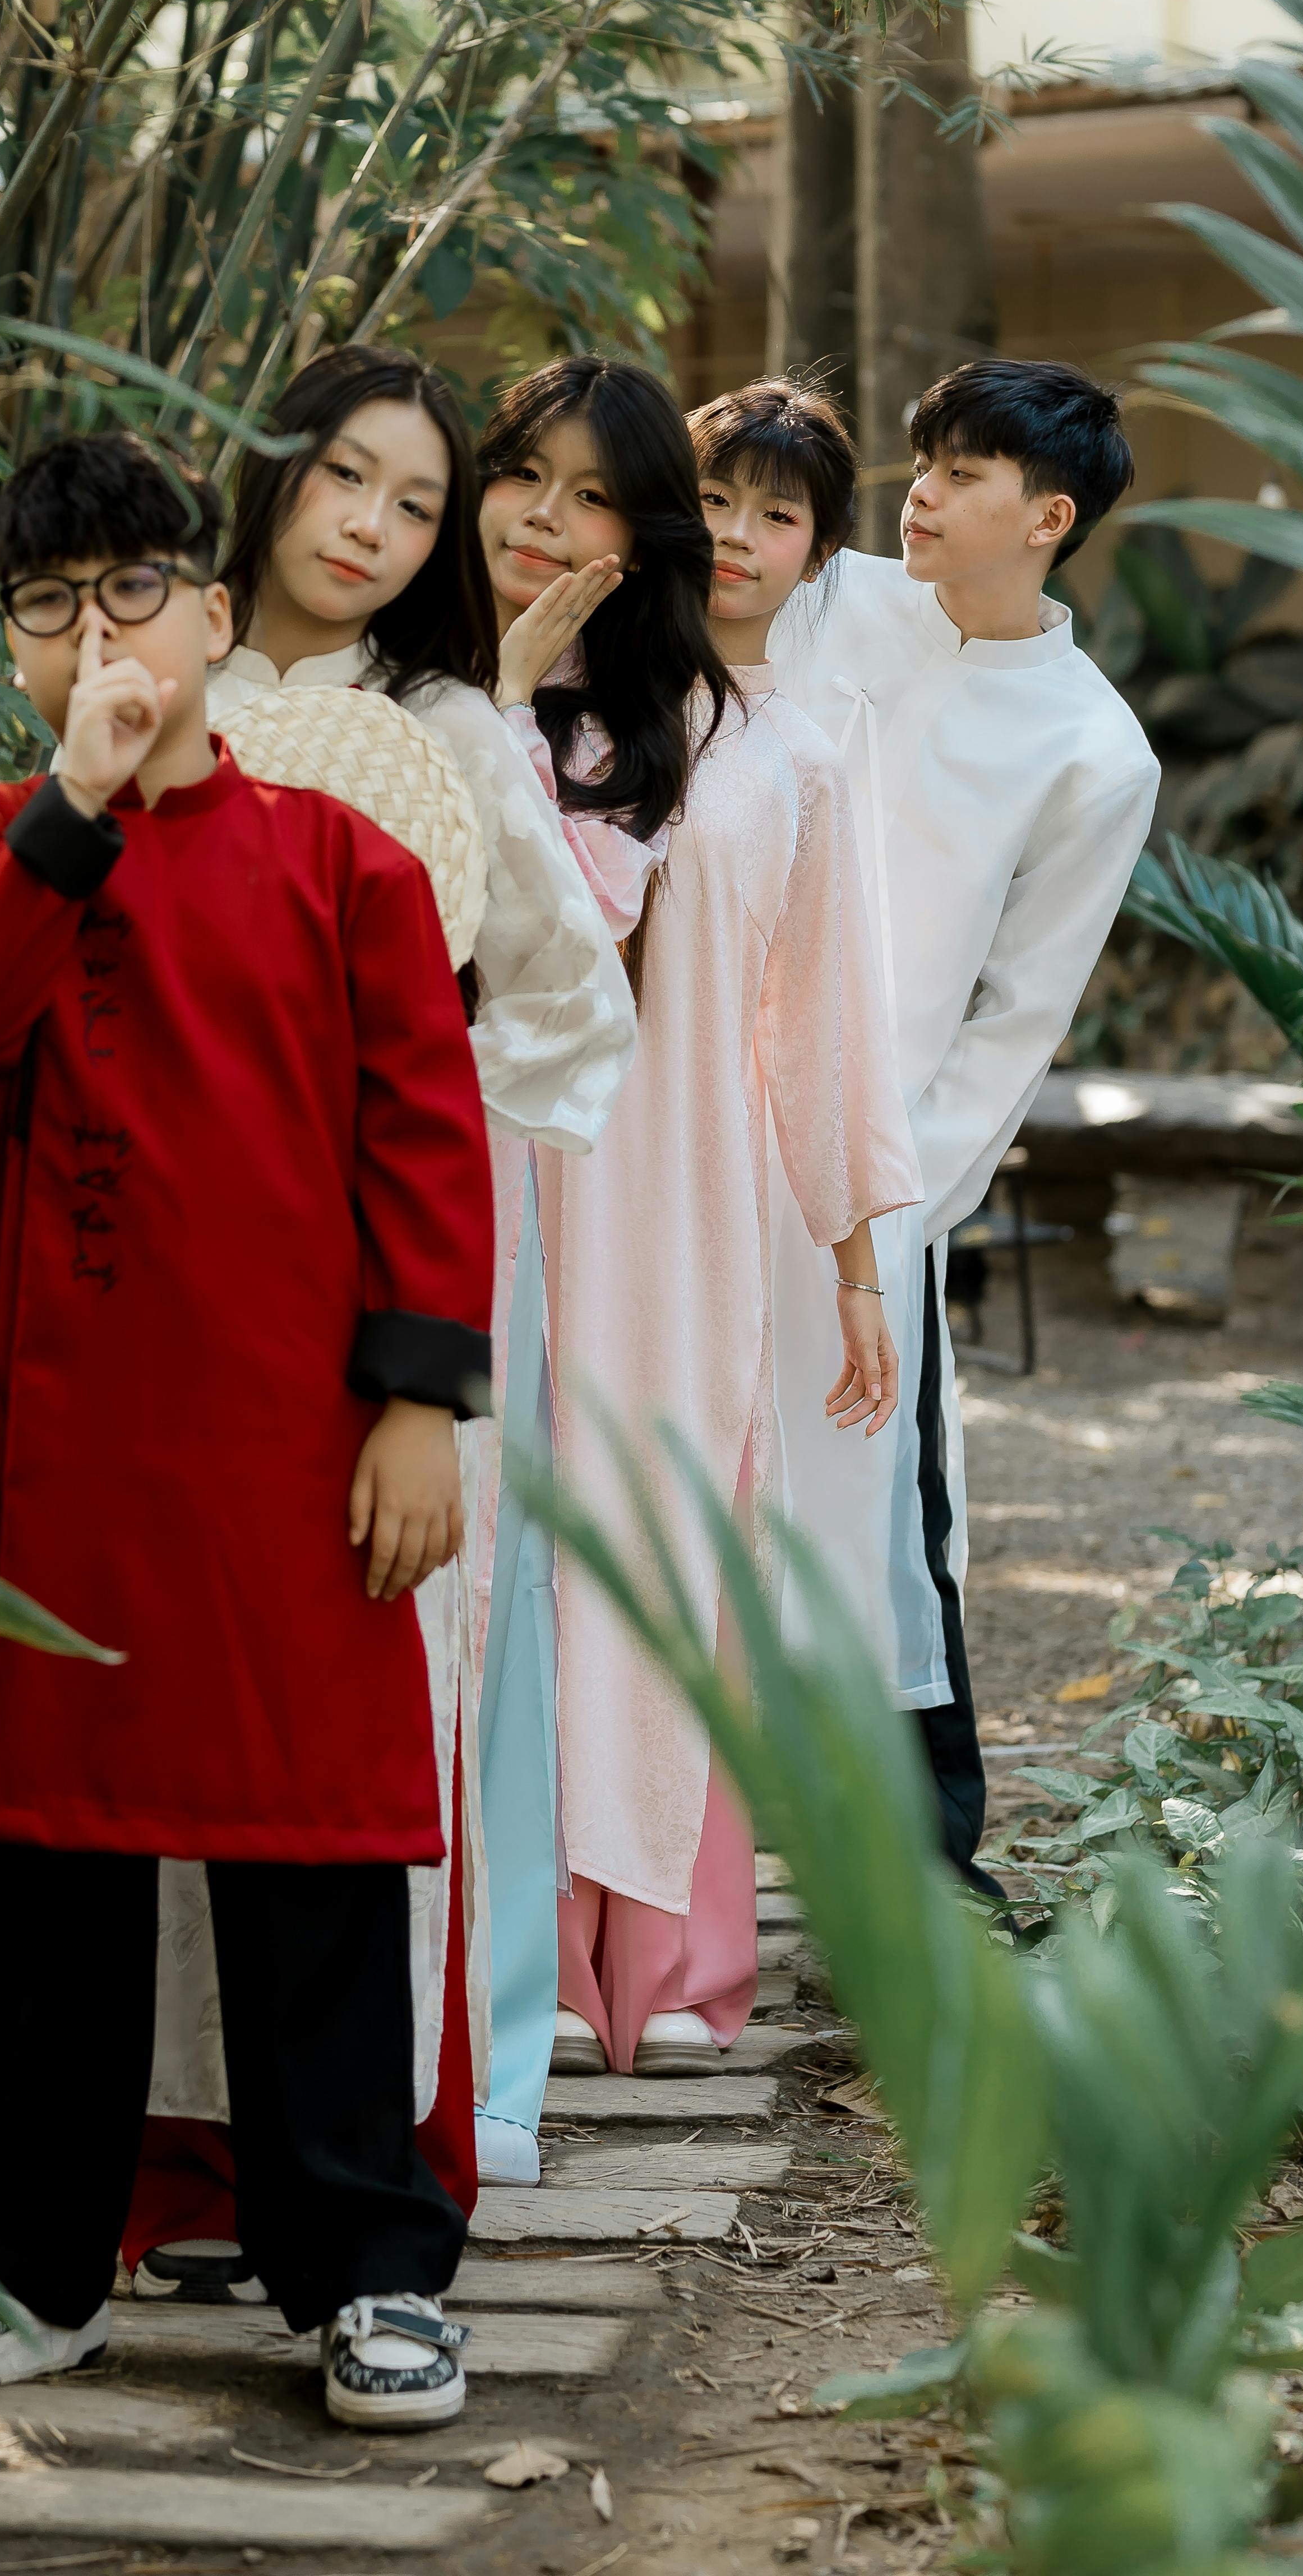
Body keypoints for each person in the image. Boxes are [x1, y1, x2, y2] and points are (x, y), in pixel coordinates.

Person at [0, 432, 494, 2431]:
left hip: (295, 1439)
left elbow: (427, 1147)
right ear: (12, 645)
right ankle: (38, 2265)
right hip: (51, 1454)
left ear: (213, 611)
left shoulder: (341, 866)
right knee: (45, 1870)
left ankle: (367, 2273)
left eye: (131, 594)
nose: (95, 636)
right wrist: (77, 803)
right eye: (47, 607)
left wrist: (420, 1405)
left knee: (316, 1855)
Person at [124, 344, 636, 2235]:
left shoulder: (451, 729)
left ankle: (363, 2176)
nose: (370, 526)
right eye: (346, 476)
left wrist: (386, 1102)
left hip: (373, 1296)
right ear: (270, 472)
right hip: (155, 1290)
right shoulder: (141, 681)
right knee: (164, 1693)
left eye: (414, 504)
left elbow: (574, 1017)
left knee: (364, 1693)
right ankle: (178, 2159)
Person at [511, 359, 919, 2078]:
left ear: (821, 553)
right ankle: (518, 1958)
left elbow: (824, 1026)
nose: (745, 540)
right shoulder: (549, 710)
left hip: (691, 1204)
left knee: (679, 1531)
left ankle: (675, 1956)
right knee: (528, 1529)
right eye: (720, 503)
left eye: (785, 515)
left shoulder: (804, 760)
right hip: (528, 1172)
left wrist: (853, 1270)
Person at [764, 359, 1160, 1891]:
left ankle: (932, 1873)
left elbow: (1019, 1016)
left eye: (968, 469)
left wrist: (901, 1203)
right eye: (925, 458)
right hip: (686, 1122)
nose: (921, 487)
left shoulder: (1091, 749)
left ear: (1049, 517)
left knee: (886, 1506)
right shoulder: (828, 599)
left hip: (879, 1176)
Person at [465, 357, 728, 2163]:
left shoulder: (638, 729)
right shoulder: (377, 658)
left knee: (548, 1536)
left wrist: (490, 707)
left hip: (540, 1170)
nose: (536, 520)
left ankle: (559, 1947)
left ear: (639, 541)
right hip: (371, 1150)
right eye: (516, 474)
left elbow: (541, 932)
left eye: (584, 493)